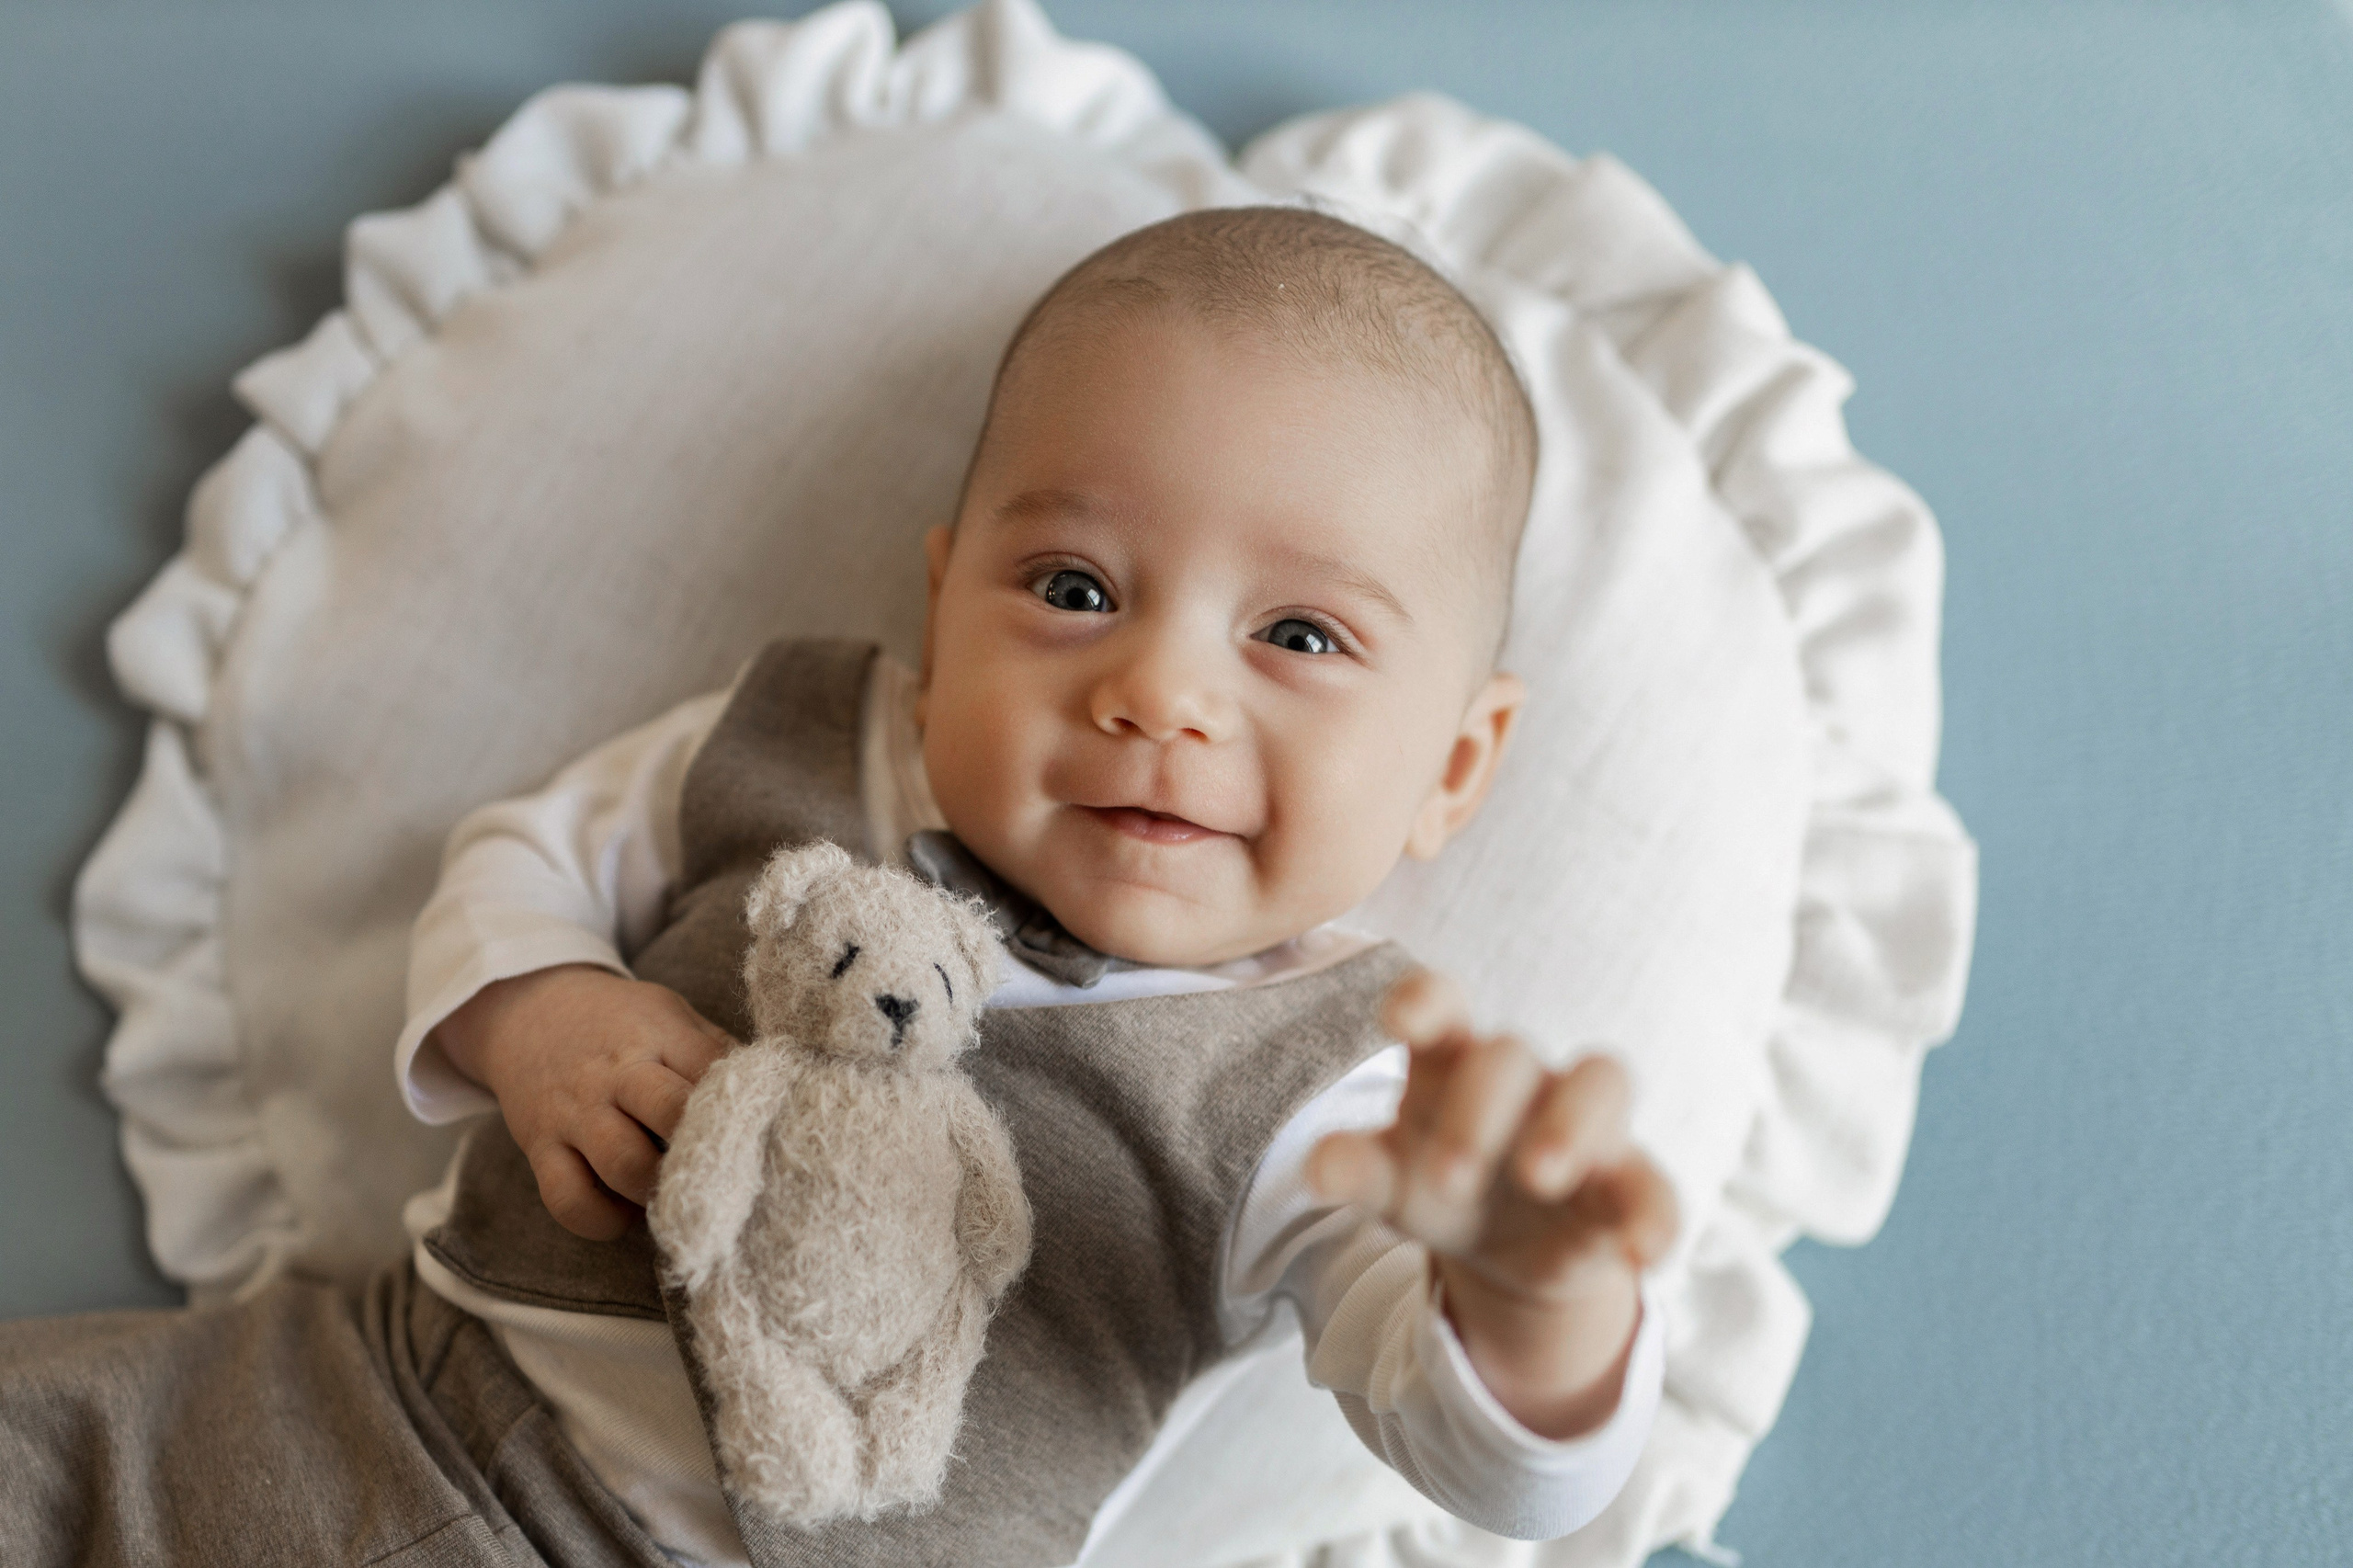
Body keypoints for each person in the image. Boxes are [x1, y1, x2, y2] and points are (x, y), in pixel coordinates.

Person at [398, 206, 1677, 1565]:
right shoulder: (799, 740)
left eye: (1300, 633)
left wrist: (1534, 1305)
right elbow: (520, 862)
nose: (1161, 694)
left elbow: (1501, 1479)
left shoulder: (1330, 1094)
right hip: (393, 1404)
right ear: (945, 612)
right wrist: (538, 1015)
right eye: (1075, 588)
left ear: (1455, 764)